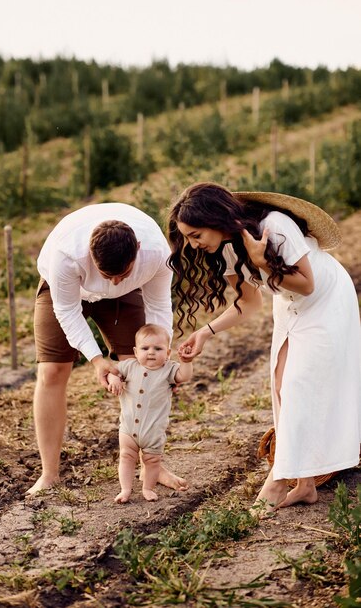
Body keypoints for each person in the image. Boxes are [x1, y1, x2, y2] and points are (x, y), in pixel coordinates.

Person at [167, 181, 361, 515]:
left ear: (215, 220)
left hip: (325, 299)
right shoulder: (226, 247)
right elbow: (248, 302)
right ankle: (306, 485)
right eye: (187, 237)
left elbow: (306, 283)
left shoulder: (274, 226)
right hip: (289, 304)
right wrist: (205, 333)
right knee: (282, 385)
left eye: (195, 234)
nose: (192, 244)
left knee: (300, 384)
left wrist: (263, 261)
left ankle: (279, 477)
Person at [27, 202, 188, 495]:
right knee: (51, 372)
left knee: (142, 370)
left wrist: (161, 360)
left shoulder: (157, 254)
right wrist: (97, 359)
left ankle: (152, 466)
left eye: (121, 274)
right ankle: (49, 473)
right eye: (106, 274)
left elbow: (159, 307)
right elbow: (67, 311)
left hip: (126, 298)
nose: (113, 281)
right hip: (66, 291)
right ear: (90, 254)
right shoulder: (66, 255)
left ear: (137, 249)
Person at [107, 323, 193, 503]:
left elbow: (184, 377)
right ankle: (125, 489)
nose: (151, 352)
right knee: (126, 457)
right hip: (128, 428)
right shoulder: (128, 366)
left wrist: (186, 362)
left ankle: (148, 488)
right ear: (136, 351)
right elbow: (111, 372)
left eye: (158, 348)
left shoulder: (169, 370)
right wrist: (114, 379)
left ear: (168, 353)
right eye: (145, 348)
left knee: (152, 461)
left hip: (153, 431)